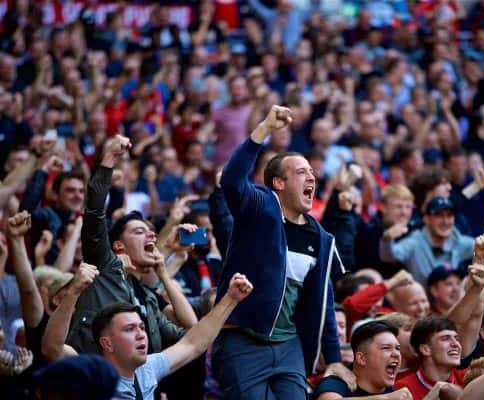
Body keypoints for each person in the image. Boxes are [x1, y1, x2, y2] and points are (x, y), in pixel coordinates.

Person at [212, 105, 347, 399]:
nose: (311, 178)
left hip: (289, 347)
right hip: (242, 341)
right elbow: (231, 180)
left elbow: (324, 300)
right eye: (301, 172)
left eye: (312, 173)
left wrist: (334, 358)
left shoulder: (321, 237)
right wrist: (263, 130)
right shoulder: (261, 208)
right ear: (278, 183)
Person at [42, 263, 253, 400]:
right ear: (107, 343)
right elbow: (53, 348)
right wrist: (74, 292)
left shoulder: (148, 368)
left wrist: (231, 299)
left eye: (142, 327)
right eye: (129, 329)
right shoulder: (93, 374)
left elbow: (193, 343)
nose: (141, 334)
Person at [67, 135, 186, 354]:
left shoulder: (148, 299)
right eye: (140, 231)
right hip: (96, 379)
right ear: (119, 246)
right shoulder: (103, 268)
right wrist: (109, 159)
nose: (151, 236)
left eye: (151, 232)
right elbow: (94, 214)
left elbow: (188, 338)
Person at [312, 320, 413, 399]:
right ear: (361, 358)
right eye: (386, 348)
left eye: (398, 348)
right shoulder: (338, 382)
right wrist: (386, 398)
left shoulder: (390, 391)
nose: (396, 354)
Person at [394, 316, 466, 400]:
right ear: (425, 349)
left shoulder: (468, 378)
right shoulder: (404, 388)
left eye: (457, 339)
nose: (455, 344)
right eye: (445, 338)